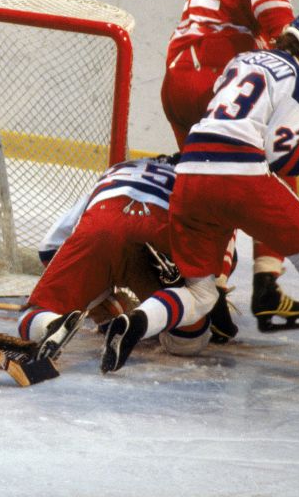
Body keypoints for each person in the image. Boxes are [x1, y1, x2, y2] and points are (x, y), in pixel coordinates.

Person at [102, 12, 299, 390]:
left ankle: (138, 321)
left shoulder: (240, 62)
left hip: (191, 175)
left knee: (200, 291)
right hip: (240, 176)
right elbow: (282, 156)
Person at [160, 0, 299, 338]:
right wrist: (294, 43)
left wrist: (296, 62)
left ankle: (211, 289)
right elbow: (271, 4)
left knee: (210, 185)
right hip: (216, 71)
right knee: (272, 165)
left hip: (177, 77)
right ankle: (268, 283)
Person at [19, 154, 215, 362]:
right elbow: (208, 260)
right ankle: (142, 320)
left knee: (34, 313)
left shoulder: (119, 168)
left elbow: (49, 247)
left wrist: (92, 297)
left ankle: (49, 325)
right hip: (157, 235)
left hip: (102, 223)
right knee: (188, 337)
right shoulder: (200, 180)